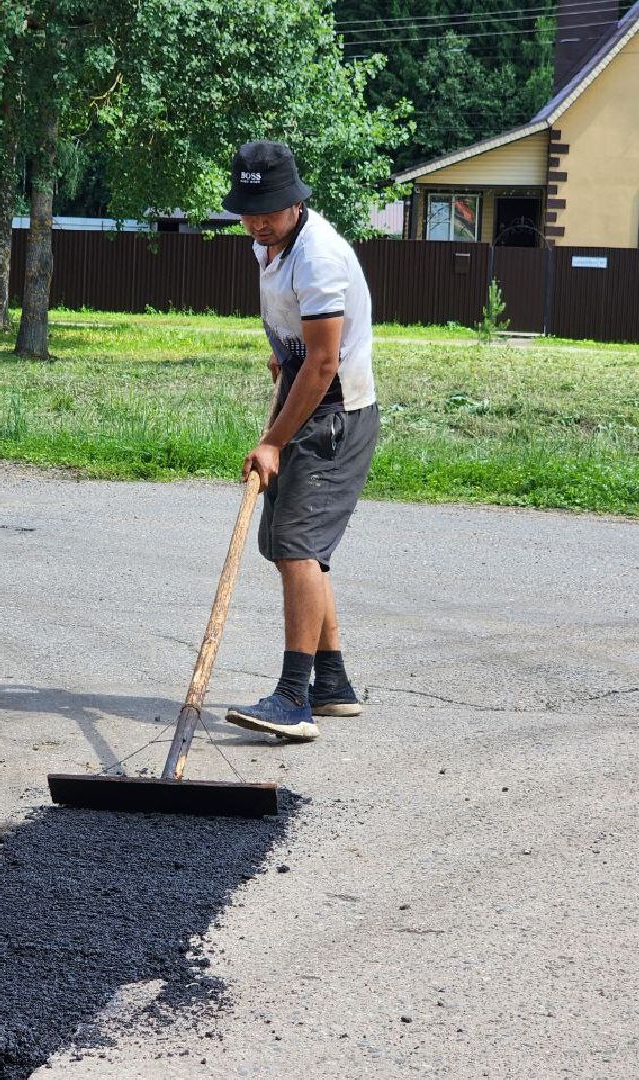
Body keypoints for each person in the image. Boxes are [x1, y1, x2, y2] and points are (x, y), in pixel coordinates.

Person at [221, 140, 379, 743]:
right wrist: (281, 356)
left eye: (269, 208)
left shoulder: (317, 256)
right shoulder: (272, 245)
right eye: (249, 208)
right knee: (299, 548)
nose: (258, 221)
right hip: (309, 401)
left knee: (295, 547)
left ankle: (294, 698)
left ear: (295, 201)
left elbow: (322, 365)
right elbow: (302, 349)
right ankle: (332, 683)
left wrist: (273, 442)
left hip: (333, 417)